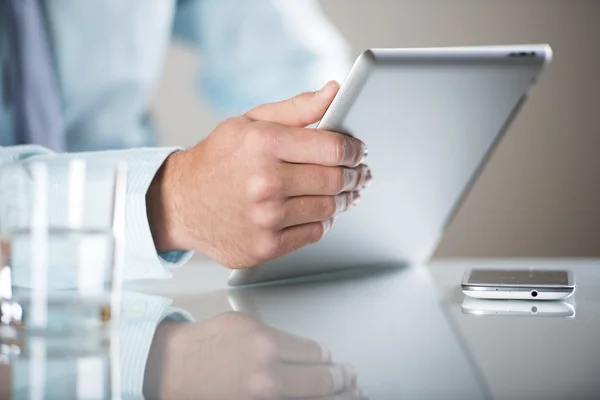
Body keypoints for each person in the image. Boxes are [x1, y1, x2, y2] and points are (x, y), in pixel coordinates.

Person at [0, 0, 372, 279]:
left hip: (126, 309)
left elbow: (285, 56)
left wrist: (325, 144)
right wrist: (168, 202)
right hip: (123, 262)